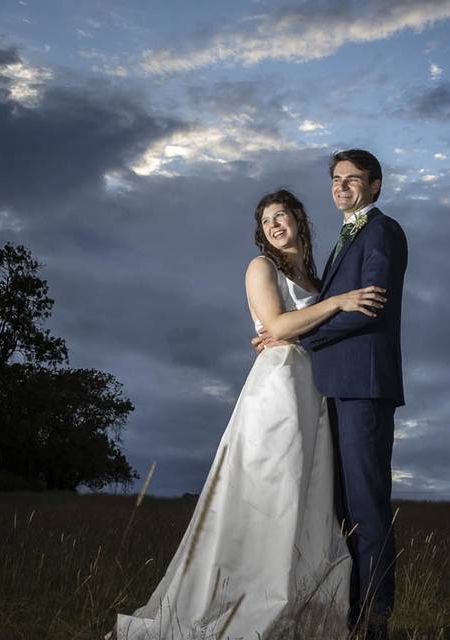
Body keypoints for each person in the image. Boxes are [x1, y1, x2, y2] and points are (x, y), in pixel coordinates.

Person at [108, 189, 387, 640]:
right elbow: (276, 326)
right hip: (277, 389)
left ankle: (304, 611)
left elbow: (313, 329)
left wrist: (324, 308)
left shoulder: (316, 278)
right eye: (266, 221)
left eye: (282, 215)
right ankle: (245, 605)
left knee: (309, 500)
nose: (274, 225)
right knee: (269, 493)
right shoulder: (263, 267)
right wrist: (337, 303)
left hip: (314, 392)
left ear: (299, 219)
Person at [257, 149, 407, 640]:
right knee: (340, 512)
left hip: (363, 387)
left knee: (366, 508)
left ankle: (375, 623)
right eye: (336, 179)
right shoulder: (343, 242)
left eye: (353, 179)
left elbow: (372, 308)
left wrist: (299, 336)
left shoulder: (382, 231)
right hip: (332, 391)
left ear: (376, 185)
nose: (342, 186)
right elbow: (333, 305)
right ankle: (347, 616)